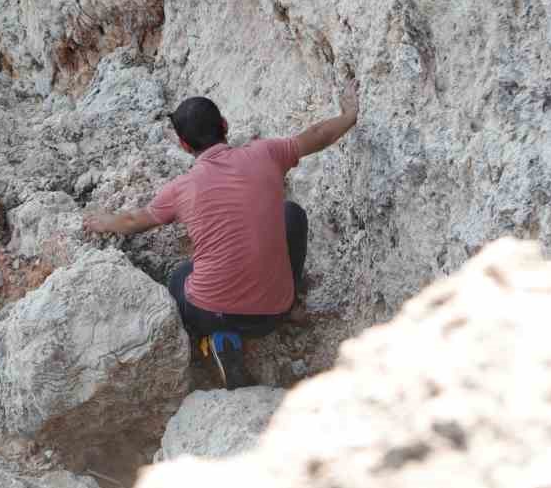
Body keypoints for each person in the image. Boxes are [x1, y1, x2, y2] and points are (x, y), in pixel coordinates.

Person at [82, 77, 359, 386]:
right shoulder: (267, 153)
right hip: (273, 314)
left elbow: (135, 220)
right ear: (224, 124)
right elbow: (318, 134)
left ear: (184, 145)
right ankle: (290, 304)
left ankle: (219, 338)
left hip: (213, 313)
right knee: (291, 214)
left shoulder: (181, 188)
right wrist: (349, 115)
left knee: (180, 276)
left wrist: (102, 221)